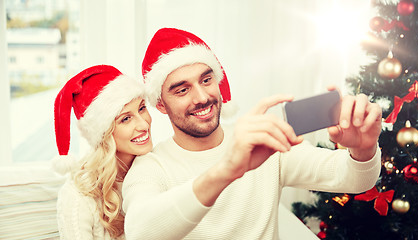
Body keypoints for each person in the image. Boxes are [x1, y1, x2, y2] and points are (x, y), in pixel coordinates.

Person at [122, 28, 382, 239]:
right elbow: (140, 231)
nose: (202, 97)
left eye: (206, 80)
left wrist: (364, 149)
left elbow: (356, 180)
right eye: (182, 90)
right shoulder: (151, 167)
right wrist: (227, 169)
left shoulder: (262, 139)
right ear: (160, 105)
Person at [53, 65, 153, 239]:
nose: (144, 125)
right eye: (126, 119)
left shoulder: (158, 168)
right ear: (103, 133)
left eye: (142, 108)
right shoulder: (77, 196)